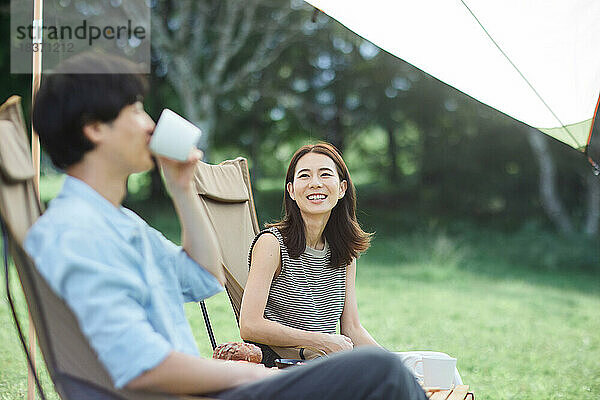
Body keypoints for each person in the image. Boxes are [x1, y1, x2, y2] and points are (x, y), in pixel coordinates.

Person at [24, 52, 427, 400]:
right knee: (380, 372)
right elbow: (142, 366)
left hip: (218, 388)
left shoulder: (120, 224)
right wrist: (255, 374)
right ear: (94, 127)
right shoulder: (76, 234)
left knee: (381, 372)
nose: (150, 125)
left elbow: (203, 279)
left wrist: (183, 190)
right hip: (202, 392)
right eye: (134, 110)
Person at [239, 143, 462, 384]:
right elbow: (250, 325)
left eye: (325, 174)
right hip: (291, 370)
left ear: (342, 188)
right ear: (292, 191)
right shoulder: (272, 244)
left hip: (333, 362)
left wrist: (392, 363)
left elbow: (352, 329)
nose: (315, 183)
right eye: (305, 176)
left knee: (441, 368)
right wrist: (321, 340)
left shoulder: (344, 250)